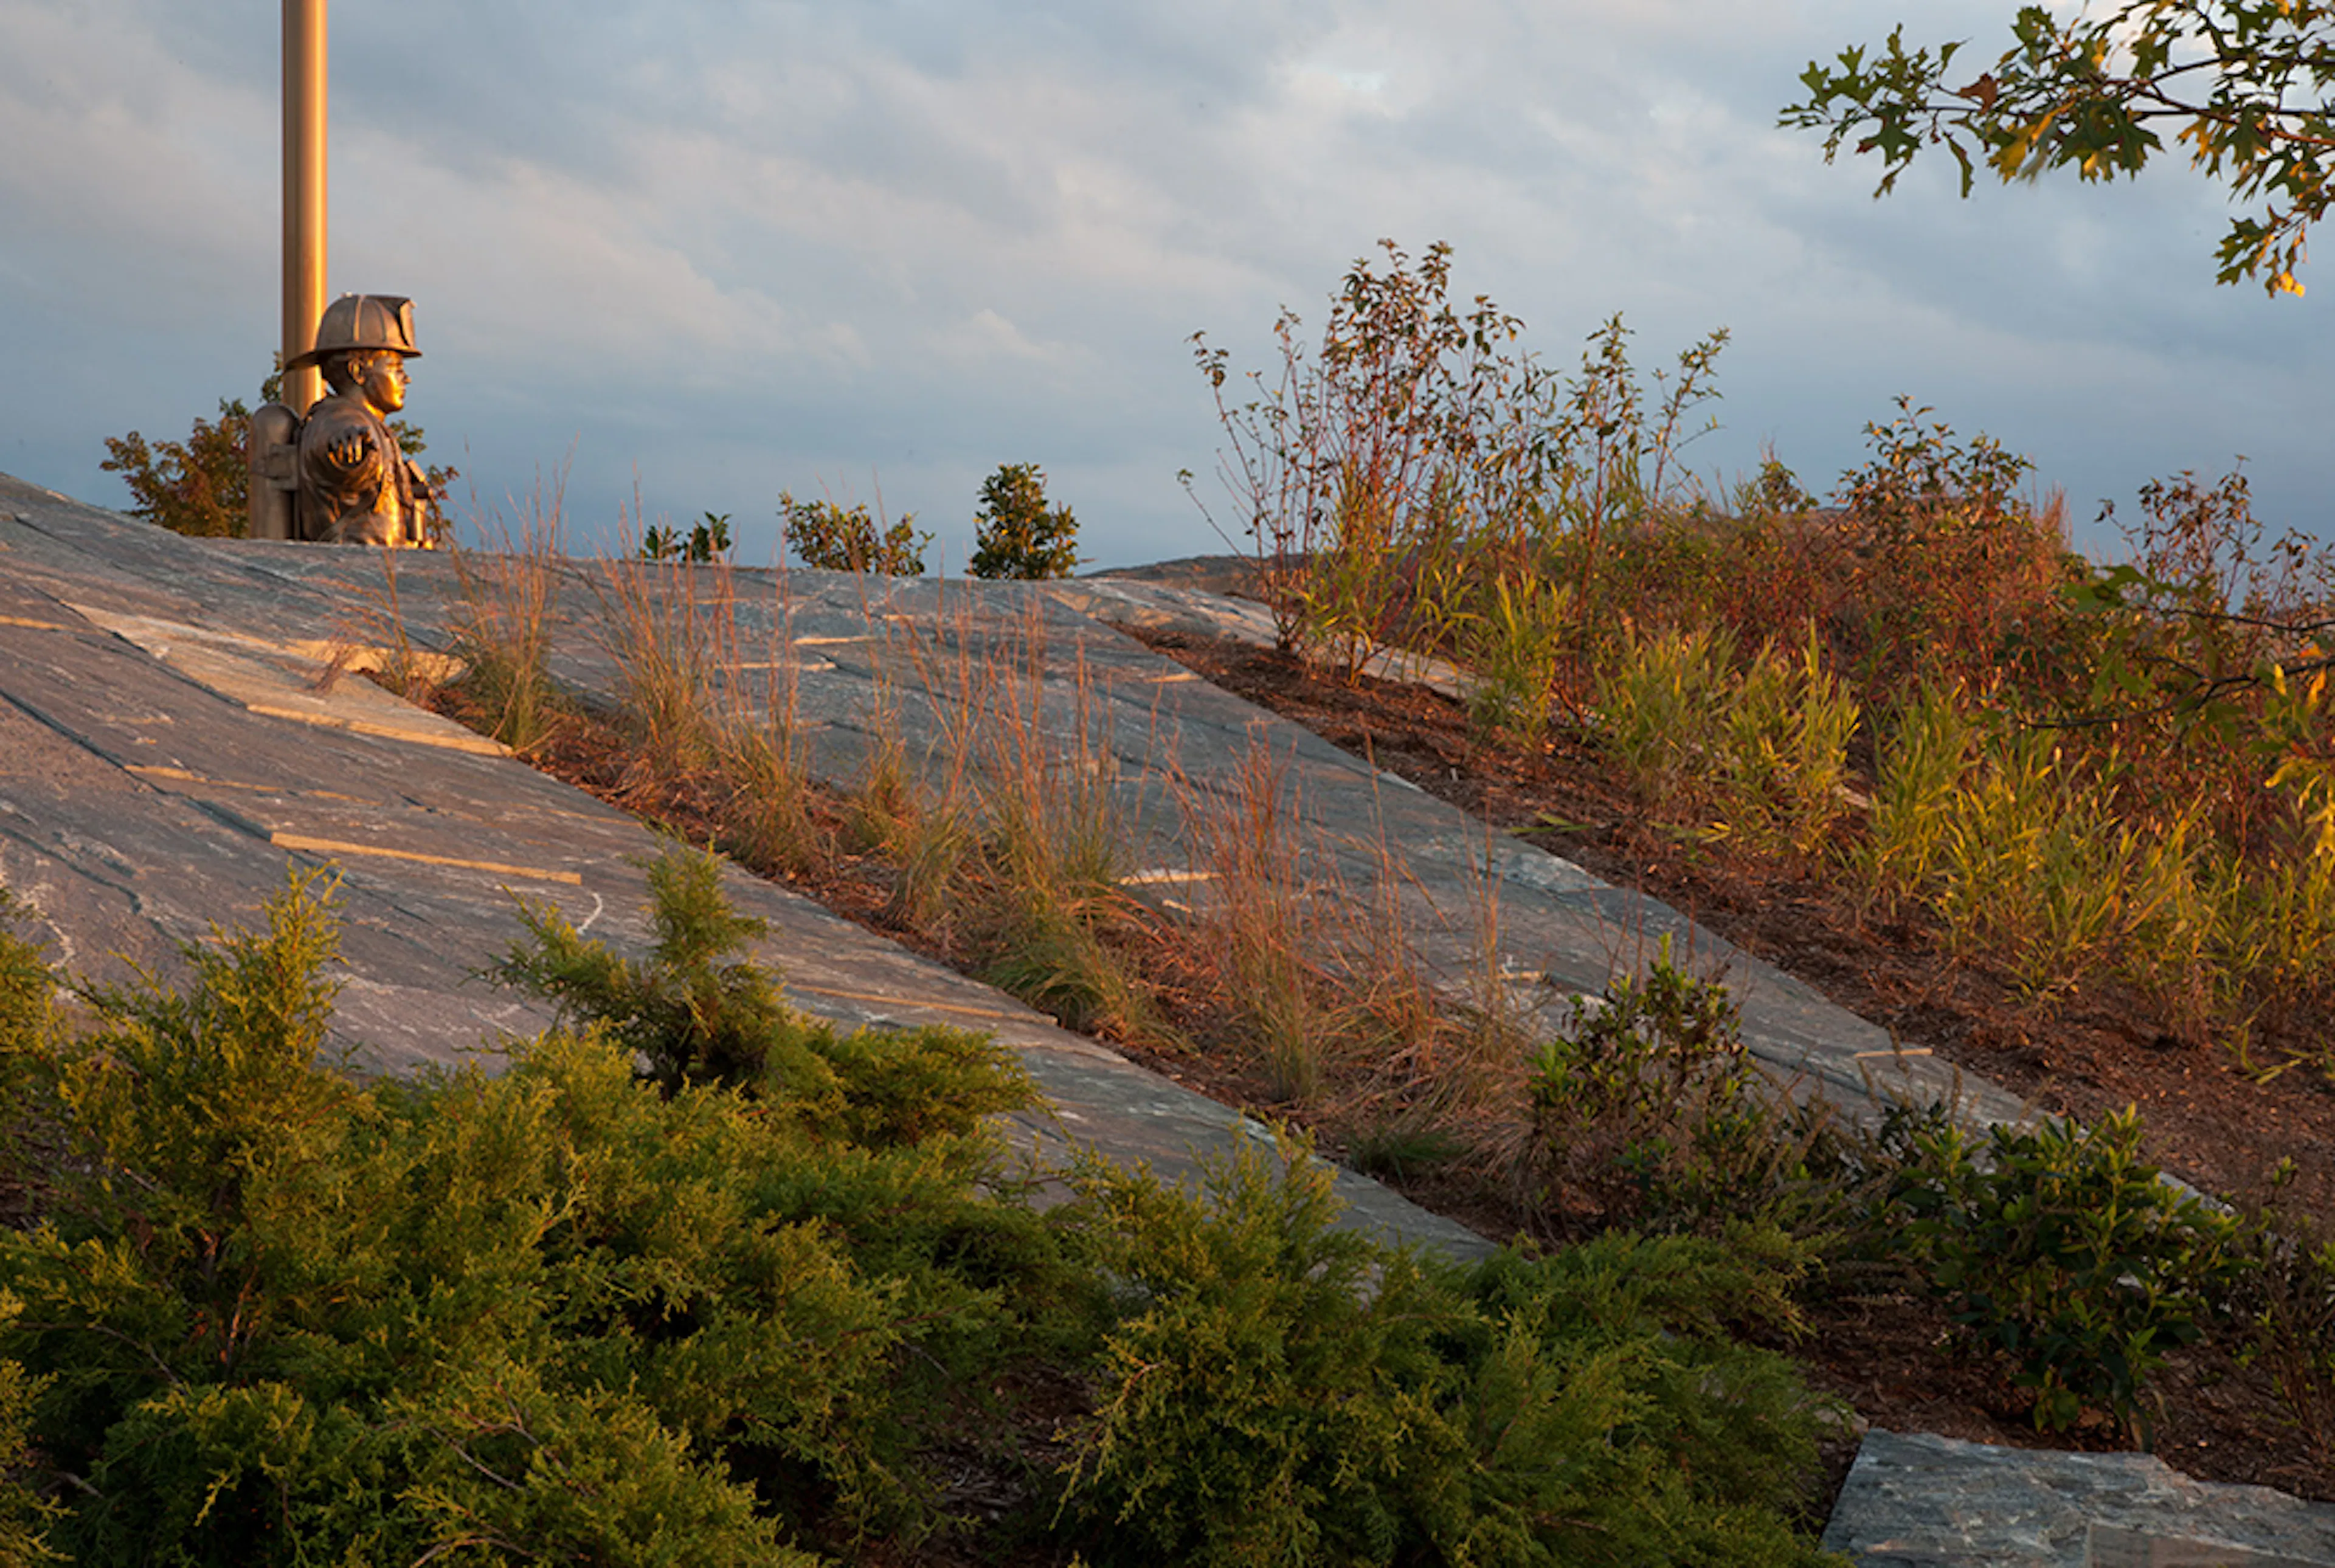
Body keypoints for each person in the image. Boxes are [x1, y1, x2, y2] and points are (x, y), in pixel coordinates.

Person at [285, 294, 435, 547]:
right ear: (357, 371)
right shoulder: (341, 420)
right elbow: (335, 441)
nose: (405, 378)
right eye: (395, 367)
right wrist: (348, 443)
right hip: (357, 577)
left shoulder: (366, 423)